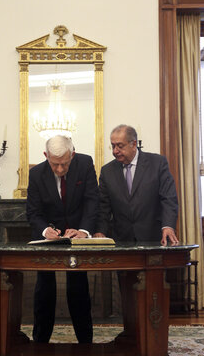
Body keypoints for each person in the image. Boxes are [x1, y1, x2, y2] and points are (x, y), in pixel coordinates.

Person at [26, 135, 99, 343]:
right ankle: (40, 341)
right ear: (45, 156)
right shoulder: (36, 173)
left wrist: (84, 231)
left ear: (72, 155)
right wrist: (44, 230)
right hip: (48, 240)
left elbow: (92, 201)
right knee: (44, 290)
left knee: (78, 288)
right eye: (55, 164)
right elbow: (33, 212)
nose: (59, 169)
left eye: (64, 164)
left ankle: (85, 342)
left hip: (78, 237)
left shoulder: (84, 164)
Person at [95, 124, 179, 245]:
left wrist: (168, 226)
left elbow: (169, 199)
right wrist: (100, 231)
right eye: (113, 146)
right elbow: (104, 207)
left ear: (133, 144)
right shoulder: (107, 171)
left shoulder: (157, 164)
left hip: (153, 237)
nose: (115, 151)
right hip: (121, 240)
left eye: (120, 146)